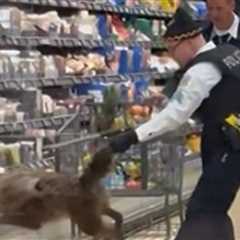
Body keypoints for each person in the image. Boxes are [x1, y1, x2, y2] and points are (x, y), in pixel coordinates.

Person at [101, 7, 240, 240]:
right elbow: (215, 96)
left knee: (202, 210)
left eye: (172, 50)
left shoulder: (202, 69)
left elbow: (175, 115)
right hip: (230, 142)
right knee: (213, 209)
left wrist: (132, 137)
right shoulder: (227, 52)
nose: (173, 57)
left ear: (186, 42)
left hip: (229, 148)